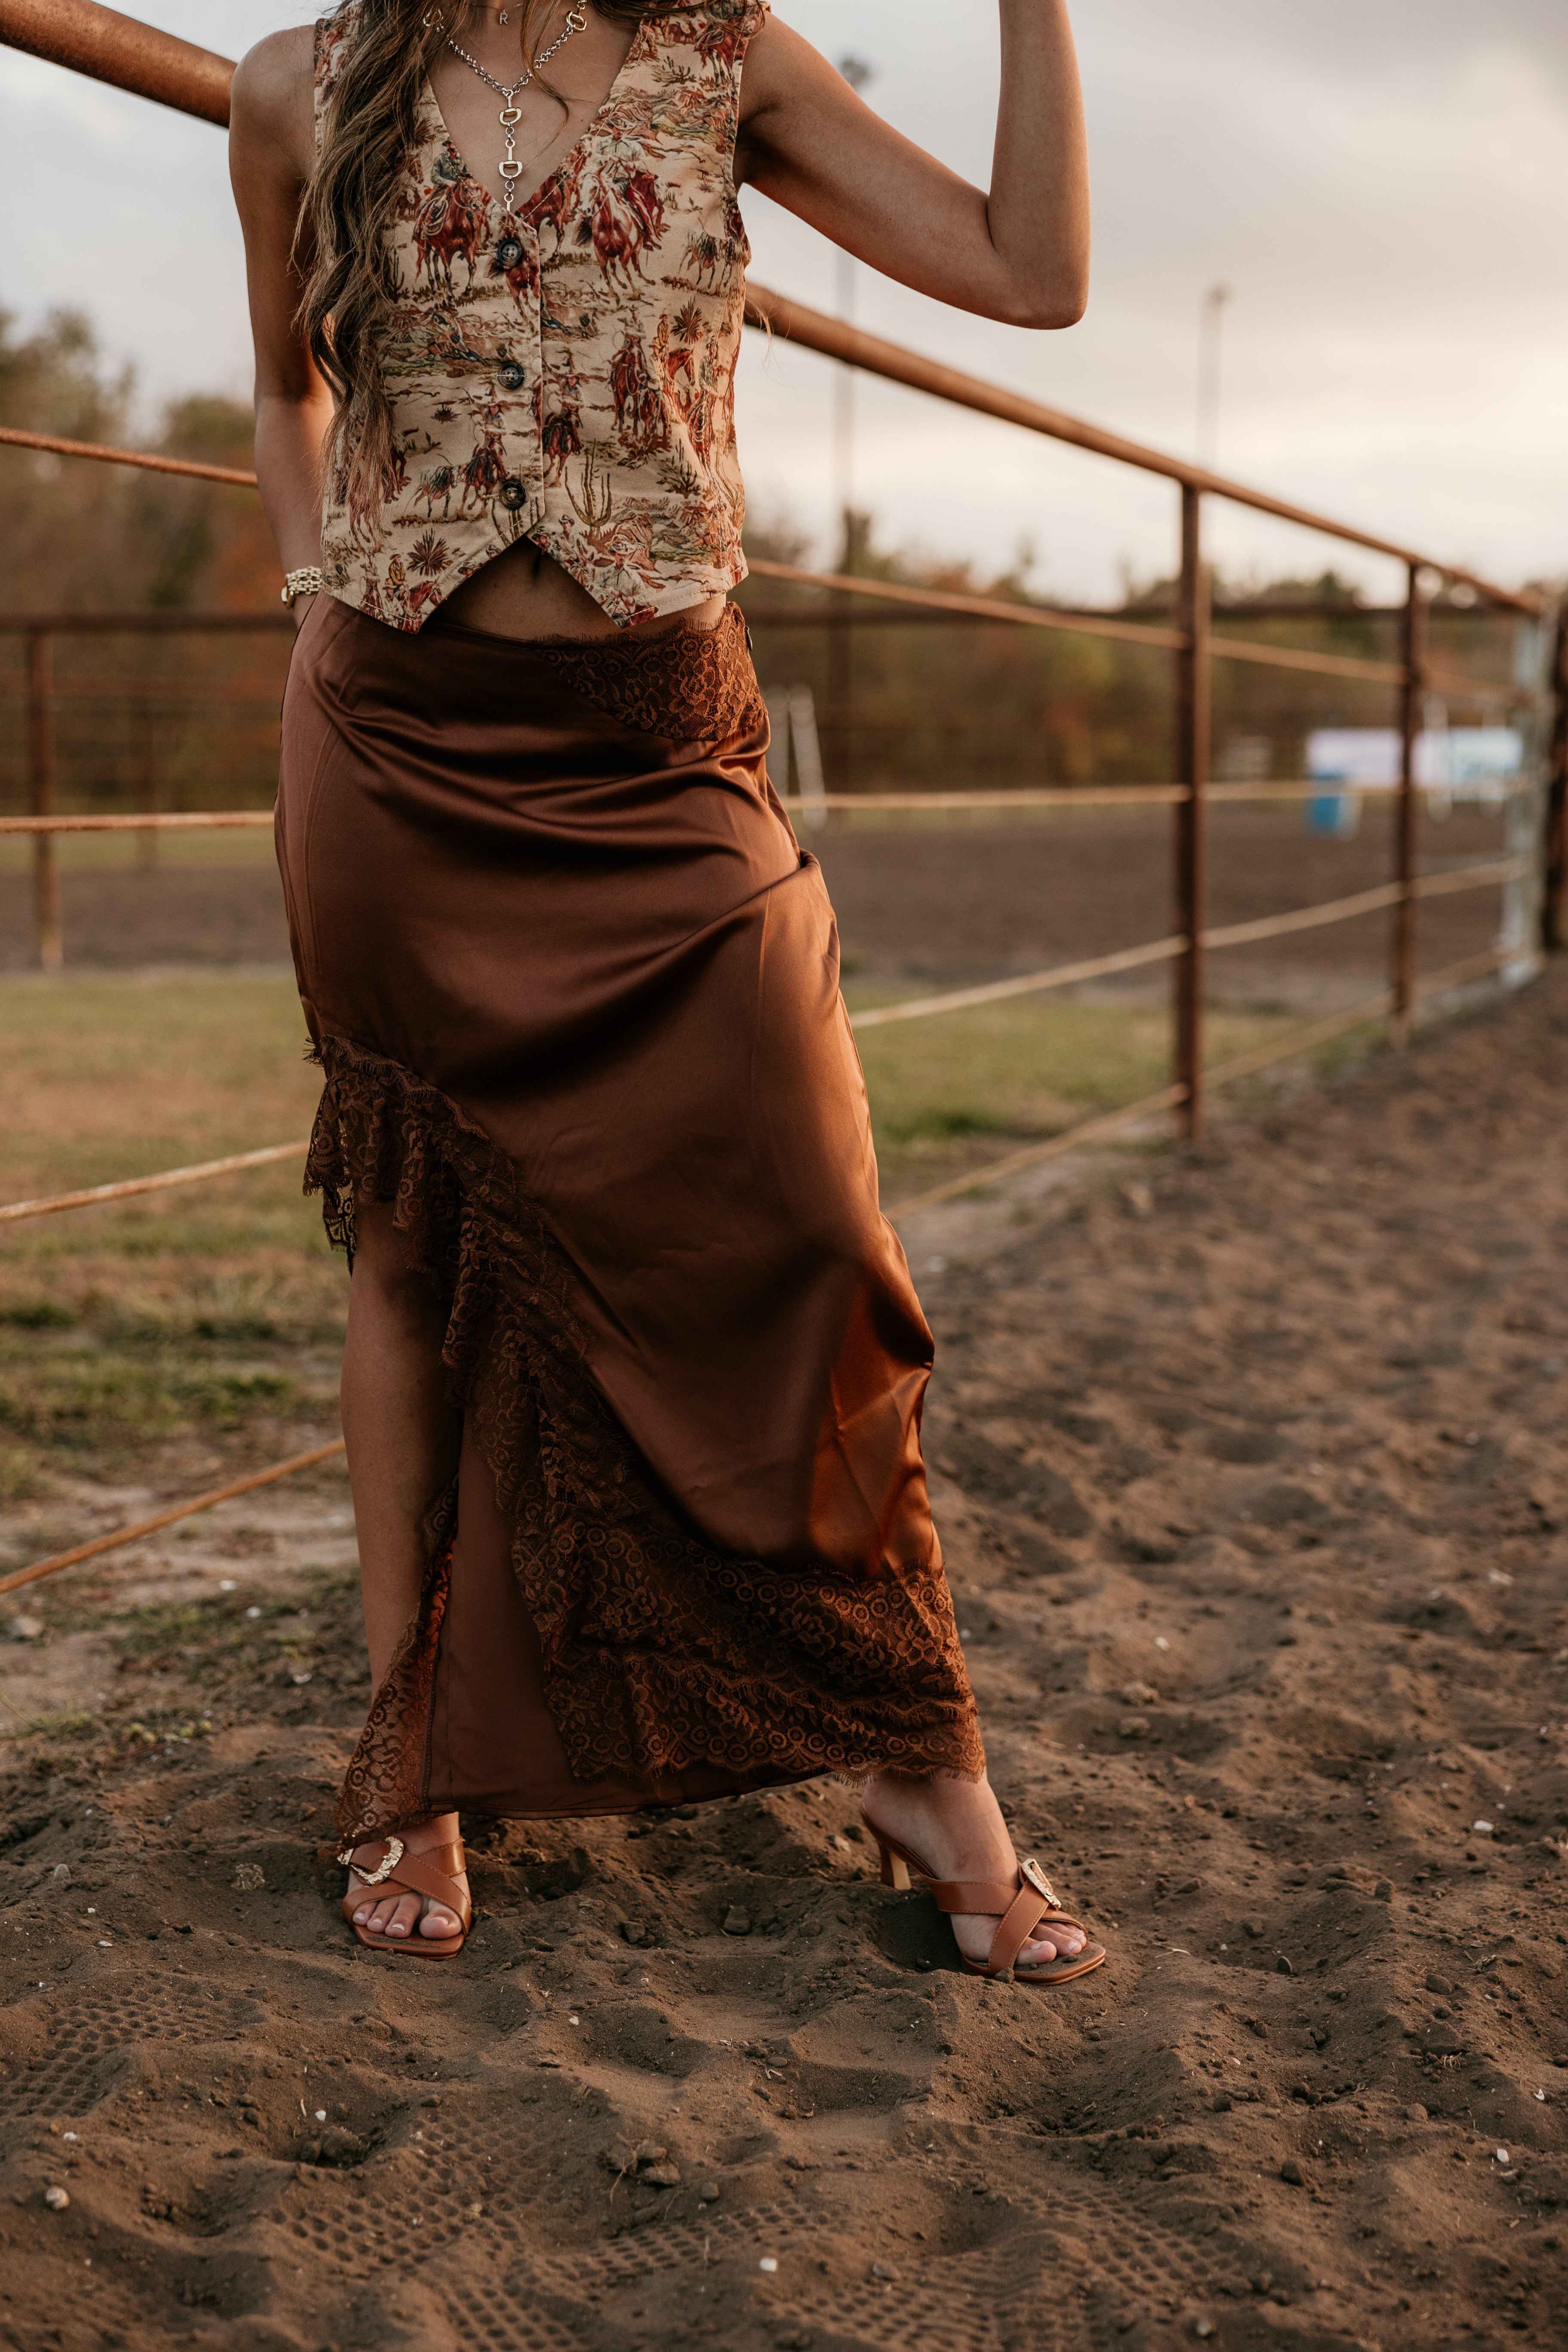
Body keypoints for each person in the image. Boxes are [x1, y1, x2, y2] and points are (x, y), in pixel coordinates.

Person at [230, 0, 1102, 1985]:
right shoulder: (297, 85)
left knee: (813, 1218)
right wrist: (312, 607)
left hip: (659, 753)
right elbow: (285, 397)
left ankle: (918, 1753)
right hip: (393, 748)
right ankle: (414, 1775)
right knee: (405, 1251)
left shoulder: (733, 60)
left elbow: (1033, 279)